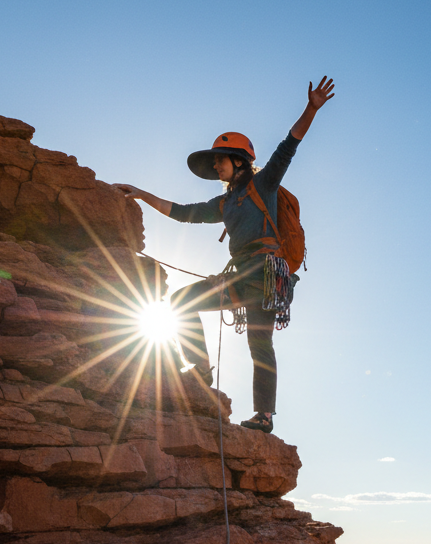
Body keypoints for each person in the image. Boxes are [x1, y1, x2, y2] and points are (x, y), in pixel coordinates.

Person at [114, 77, 334, 433]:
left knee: (259, 344)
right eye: (215, 162)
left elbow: (288, 145)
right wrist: (141, 193)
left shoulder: (263, 184)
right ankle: (201, 370)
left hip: (264, 274)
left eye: (221, 161)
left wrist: (311, 108)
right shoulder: (225, 202)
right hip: (243, 274)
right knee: (182, 302)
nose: (216, 167)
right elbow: (185, 212)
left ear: (239, 161)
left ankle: (263, 416)